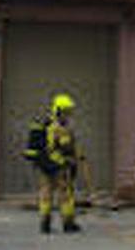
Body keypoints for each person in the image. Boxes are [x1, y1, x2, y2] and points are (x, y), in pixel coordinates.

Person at [37, 93, 85, 234]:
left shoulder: (48, 124)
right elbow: (66, 146)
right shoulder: (60, 127)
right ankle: (68, 223)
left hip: (46, 165)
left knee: (46, 194)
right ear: (59, 110)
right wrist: (76, 156)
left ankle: (44, 223)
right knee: (66, 195)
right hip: (60, 165)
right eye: (66, 111)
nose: (68, 114)